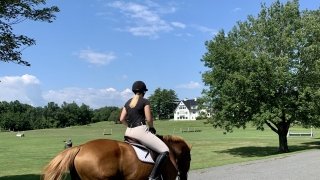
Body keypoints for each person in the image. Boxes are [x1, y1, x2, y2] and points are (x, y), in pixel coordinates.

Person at [120, 81, 169, 180]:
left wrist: (128, 125)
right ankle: (153, 176)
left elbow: (121, 119)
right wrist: (151, 127)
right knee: (165, 150)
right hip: (140, 131)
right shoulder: (145, 101)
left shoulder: (127, 102)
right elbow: (149, 118)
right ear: (144, 91)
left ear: (134, 91)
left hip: (128, 132)